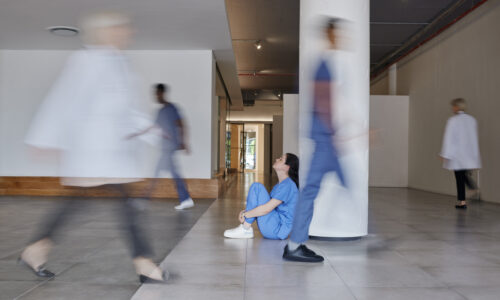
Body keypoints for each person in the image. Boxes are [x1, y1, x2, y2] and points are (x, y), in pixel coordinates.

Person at [19, 12, 166, 283]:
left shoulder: (121, 64)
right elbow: (62, 100)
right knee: (94, 203)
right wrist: (44, 139)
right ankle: (143, 262)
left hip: (112, 153)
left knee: (90, 202)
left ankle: (37, 248)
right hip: (92, 150)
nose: (127, 34)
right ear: (105, 33)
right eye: (120, 29)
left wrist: (153, 131)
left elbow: (126, 110)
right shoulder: (85, 60)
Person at [283, 17, 348, 263]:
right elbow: (322, 101)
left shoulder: (325, 64)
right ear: (330, 34)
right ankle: (293, 246)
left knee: (340, 182)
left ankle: (295, 243)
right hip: (324, 137)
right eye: (337, 33)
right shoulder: (323, 65)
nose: (340, 38)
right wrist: (332, 133)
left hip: (324, 136)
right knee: (311, 191)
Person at [131, 84, 194, 210]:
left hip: (169, 148)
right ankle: (186, 199)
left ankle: (146, 199)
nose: (155, 96)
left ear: (162, 93)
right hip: (165, 148)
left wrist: (184, 142)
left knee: (160, 174)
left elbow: (181, 124)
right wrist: (137, 134)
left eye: (157, 93)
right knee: (171, 175)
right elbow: (153, 127)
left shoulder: (172, 108)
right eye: (155, 94)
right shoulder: (160, 112)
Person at [223, 153, 299, 239]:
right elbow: (262, 206)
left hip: (277, 230)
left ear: (287, 167)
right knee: (256, 188)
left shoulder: (288, 185)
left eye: (281, 159)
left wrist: (247, 215)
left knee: (257, 187)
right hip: (273, 225)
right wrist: (245, 212)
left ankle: (245, 229)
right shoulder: (280, 185)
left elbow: (267, 209)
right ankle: (245, 228)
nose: (277, 159)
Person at [440, 98, 481, 209]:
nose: (452, 108)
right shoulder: (472, 120)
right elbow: (473, 138)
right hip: (469, 153)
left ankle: (464, 199)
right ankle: (470, 191)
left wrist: (445, 154)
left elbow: (449, 138)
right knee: (463, 175)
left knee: (459, 177)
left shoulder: (453, 120)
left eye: (453, 106)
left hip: (457, 154)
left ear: (457, 107)